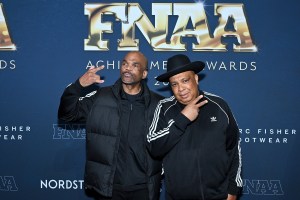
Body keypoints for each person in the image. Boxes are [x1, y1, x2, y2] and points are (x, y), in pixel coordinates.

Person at [58, 51, 163, 200]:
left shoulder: (159, 104)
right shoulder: (100, 97)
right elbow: (67, 115)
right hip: (108, 188)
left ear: (144, 73)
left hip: (144, 188)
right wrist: (78, 86)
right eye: (125, 64)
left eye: (134, 65)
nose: (127, 68)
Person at [147, 54, 242, 200]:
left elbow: (233, 149)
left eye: (185, 81)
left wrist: (232, 190)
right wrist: (182, 119)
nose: (181, 89)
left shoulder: (219, 105)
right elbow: (154, 147)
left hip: (219, 196)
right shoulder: (164, 108)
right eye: (174, 84)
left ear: (196, 79)